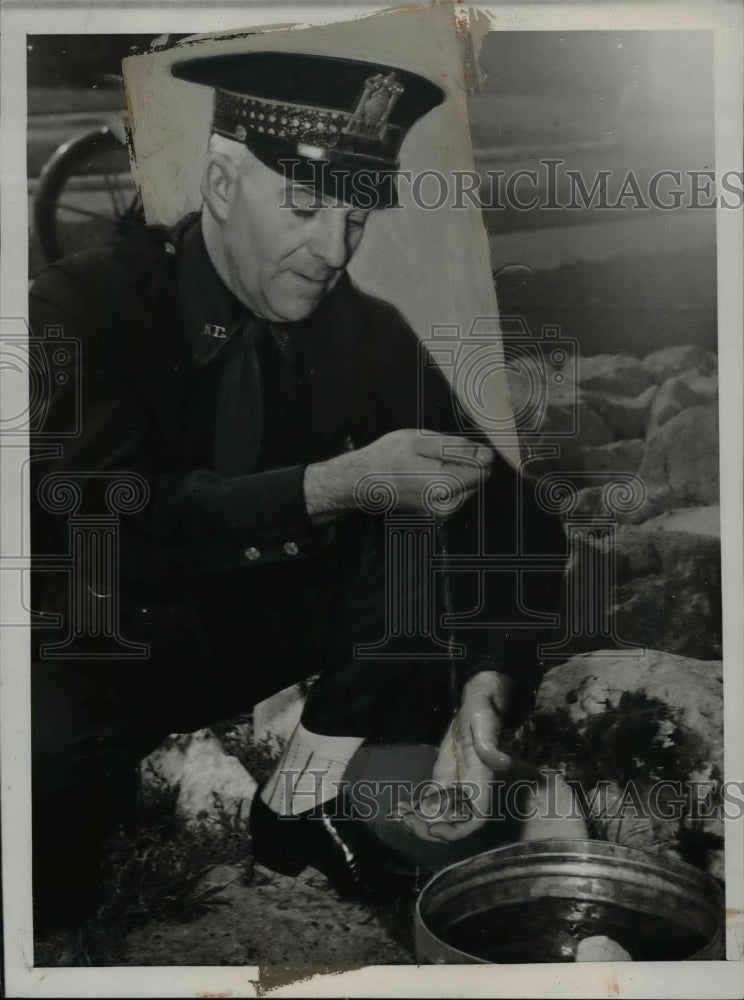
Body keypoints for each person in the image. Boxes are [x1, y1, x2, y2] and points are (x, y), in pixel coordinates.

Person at [29, 49, 566, 931]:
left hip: (265, 634)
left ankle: (302, 801)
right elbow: (100, 521)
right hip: (106, 637)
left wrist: (486, 691)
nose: (334, 250)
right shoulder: (77, 304)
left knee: (424, 510)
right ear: (223, 183)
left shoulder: (362, 327)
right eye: (309, 207)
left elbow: (516, 519)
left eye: (356, 217)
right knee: (65, 874)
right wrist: (336, 483)